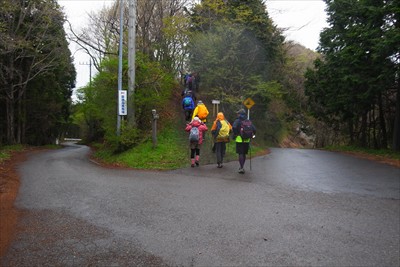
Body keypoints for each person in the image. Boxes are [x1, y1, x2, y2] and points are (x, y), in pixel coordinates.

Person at [232, 109, 256, 174]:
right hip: (247, 140)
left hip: (239, 139)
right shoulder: (248, 121)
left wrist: (236, 133)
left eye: (238, 113)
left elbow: (234, 127)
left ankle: (241, 167)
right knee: (244, 153)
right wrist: (251, 136)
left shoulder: (237, 120)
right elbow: (254, 129)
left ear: (239, 114)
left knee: (240, 153)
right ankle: (242, 166)